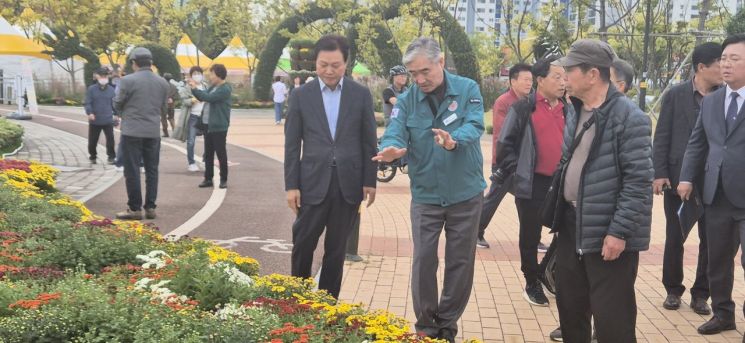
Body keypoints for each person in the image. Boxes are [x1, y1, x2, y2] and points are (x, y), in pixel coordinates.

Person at [374, 37, 486, 343]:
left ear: (440, 61)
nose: (420, 79)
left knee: (460, 261)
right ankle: (425, 326)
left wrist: (453, 140)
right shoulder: (409, 99)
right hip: (426, 194)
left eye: (425, 71)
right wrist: (391, 148)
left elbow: (476, 125)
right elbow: (394, 130)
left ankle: (446, 324)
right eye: (413, 74)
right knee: (424, 258)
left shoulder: (467, 89)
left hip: (465, 192)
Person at [550, 39, 653, 342]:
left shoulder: (630, 118)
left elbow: (638, 182)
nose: (563, 76)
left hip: (609, 233)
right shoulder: (575, 109)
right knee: (570, 310)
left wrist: (619, 232)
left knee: (613, 320)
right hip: (572, 225)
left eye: (569, 70)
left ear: (592, 74)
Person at [284, 35, 377, 299]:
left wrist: (370, 180)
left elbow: (369, 141)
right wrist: (291, 185)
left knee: (336, 251)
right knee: (303, 244)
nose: (329, 70)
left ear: (346, 63)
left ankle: (326, 307)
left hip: (347, 186)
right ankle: (297, 303)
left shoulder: (360, 94)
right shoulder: (301, 95)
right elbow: (292, 145)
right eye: (323, 64)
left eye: (335, 64)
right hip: (311, 184)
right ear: (315, 63)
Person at [678, 34, 745, 337]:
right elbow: (697, 142)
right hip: (716, 193)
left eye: (734, 59)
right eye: (724, 59)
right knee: (716, 259)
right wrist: (686, 176)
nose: (726, 65)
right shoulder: (713, 100)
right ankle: (723, 314)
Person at [654, 42, 722, 317]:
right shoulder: (675, 95)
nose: (723, 68)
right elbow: (661, 136)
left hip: (713, 182)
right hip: (676, 179)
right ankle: (673, 289)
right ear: (701, 67)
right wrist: (658, 173)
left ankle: (701, 294)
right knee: (674, 237)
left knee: (711, 240)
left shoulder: (724, 97)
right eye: (719, 63)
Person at [494, 56, 567, 307]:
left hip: (560, 183)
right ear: (540, 79)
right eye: (556, 76)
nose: (562, 82)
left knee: (565, 228)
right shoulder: (524, 108)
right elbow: (504, 145)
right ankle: (531, 281)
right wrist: (517, 171)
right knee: (530, 234)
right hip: (532, 182)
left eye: (564, 77)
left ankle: (546, 271)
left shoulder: (569, 108)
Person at [477, 63, 533, 249]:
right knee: (494, 198)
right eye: (525, 80)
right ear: (513, 81)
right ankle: (476, 232)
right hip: (506, 163)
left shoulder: (531, 102)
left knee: (527, 200)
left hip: (523, 164)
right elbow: (503, 135)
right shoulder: (504, 101)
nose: (529, 83)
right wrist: (509, 161)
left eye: (531, 80)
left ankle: (533, 236)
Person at [113, 47, 170, 220]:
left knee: (132, 169)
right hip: (153, 131)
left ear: (134, 63)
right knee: (152, 170)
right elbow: (164, 108)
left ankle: (135, 208)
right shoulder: (162, 83)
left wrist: (124, 113)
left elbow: (118, 102)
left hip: (132, 131)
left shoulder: (127, 81)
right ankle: (151, 207)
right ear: (151, 63)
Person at [190, 64, 232, 189]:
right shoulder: (213, 86)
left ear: (219, 74)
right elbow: (203, 95)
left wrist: (194, 89)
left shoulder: (225, 89)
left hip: (218, 126)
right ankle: (208, 178)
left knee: (220, 153)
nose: (210, 76)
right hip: (207, 125)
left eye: (212, 73)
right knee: (208, 153)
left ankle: (223, 179)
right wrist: (195, 89)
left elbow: (208, 98)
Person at [174, 66, 207, 172]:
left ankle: (206, 160)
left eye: (199, 73)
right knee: (191, 141)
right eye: (195, 74)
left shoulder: (205, 86)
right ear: (191, 76)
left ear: (202, 75)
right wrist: (192, 100)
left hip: (204, 117)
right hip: (192, 116)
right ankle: (191, 163)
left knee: (209, 141)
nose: (197, 75)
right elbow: (184, 101)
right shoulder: (188, 87)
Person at [84, 67, 117, 165]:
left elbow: (114, 103)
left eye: (105, 76)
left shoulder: (111, 90)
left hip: (107, 119)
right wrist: (90, 112)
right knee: (92, 141)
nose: (104, 78)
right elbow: (87, 102)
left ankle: (111, 157)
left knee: (110, 139)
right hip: (95, 119)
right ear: (97, 77)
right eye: (102, 76)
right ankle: (93, 156)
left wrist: (116, 114)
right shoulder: (91, 89)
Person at [160, 73, 178, 137]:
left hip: (164, 104)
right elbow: (176, 96)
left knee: (163, 118)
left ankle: (166, 133)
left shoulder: (162, 86)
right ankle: (175, 132)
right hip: (171, 104)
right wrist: (172, 99)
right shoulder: (174, 86)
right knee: (171, 118)